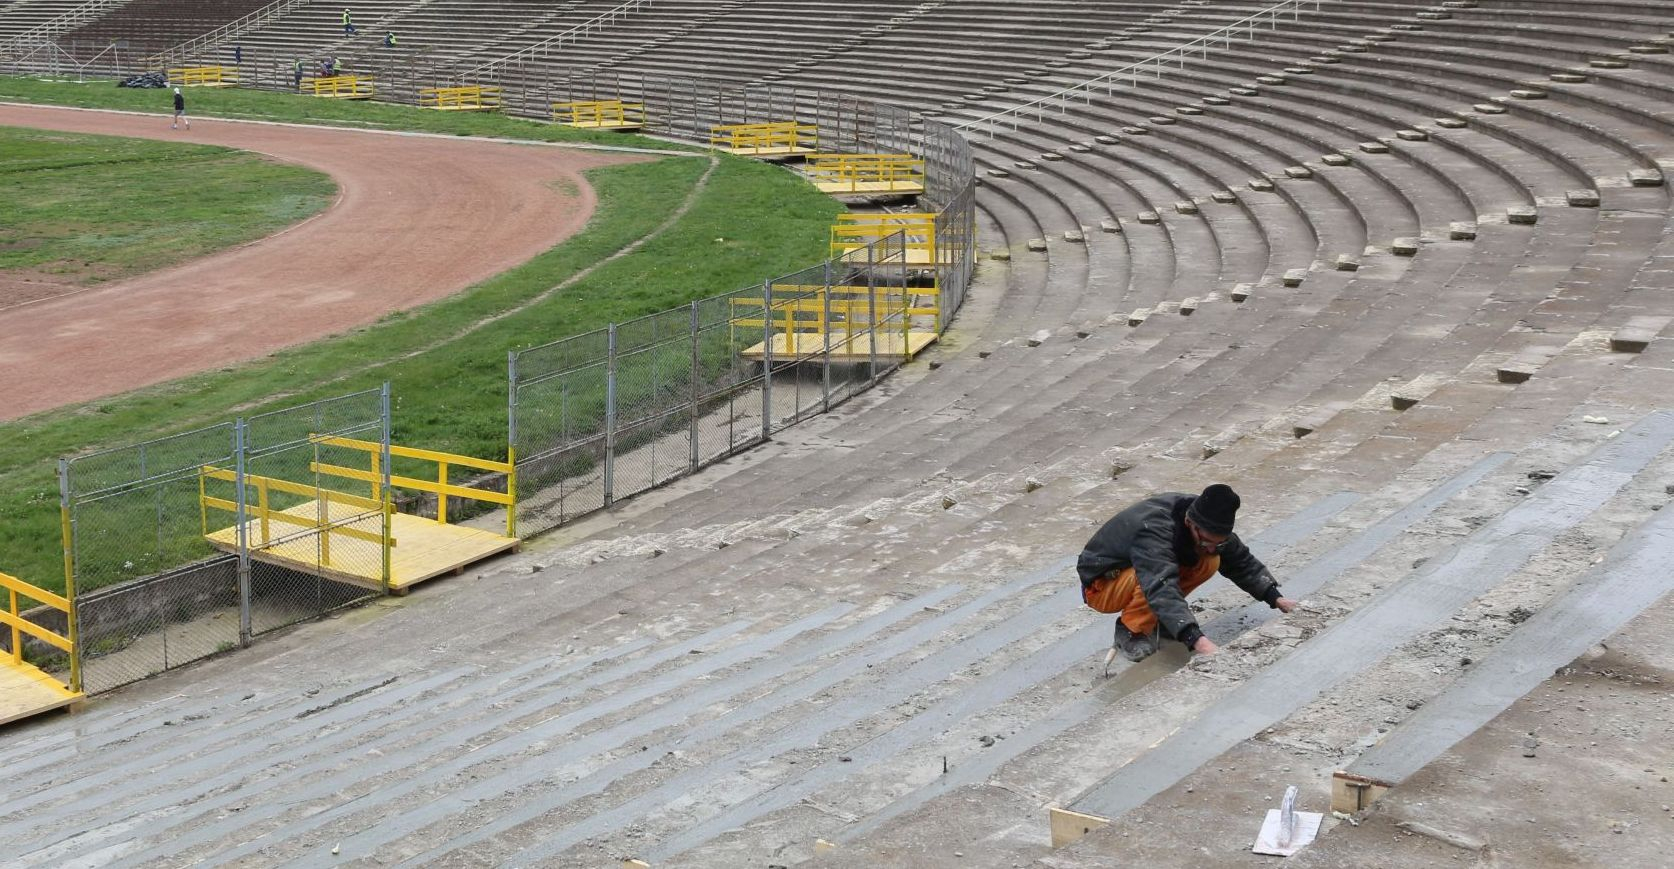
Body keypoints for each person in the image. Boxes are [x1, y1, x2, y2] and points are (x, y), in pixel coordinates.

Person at [1078, 484, 1297, 670]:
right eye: (1206, 541)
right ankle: (1130, 631)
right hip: (1102, 584)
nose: (1211, 547)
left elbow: (1240, 561)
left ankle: (1162, 622)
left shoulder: (1208, 517)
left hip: (1143, 573)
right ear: (1190, 524)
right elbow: (1160, 586)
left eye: (1218, 542)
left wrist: (1276, 598)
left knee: (1210, 561)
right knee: (1150, 575)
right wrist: (1198, 642)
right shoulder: (1154, 530)